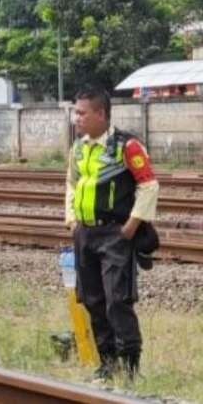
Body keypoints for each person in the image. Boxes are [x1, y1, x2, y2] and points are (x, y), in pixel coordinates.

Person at [65, 86, 159, 381]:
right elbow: (71, 183)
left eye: (81, 113)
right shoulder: (79, 147)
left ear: (101, 114)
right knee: (92, 299)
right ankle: (107, 363)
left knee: (117, 300)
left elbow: (149, 184)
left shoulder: (126, 145)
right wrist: (71, 220)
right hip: (85, 234)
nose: (76, 118)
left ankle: (130, 366)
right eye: (75, 112)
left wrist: (131, 225)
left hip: (115, 234)